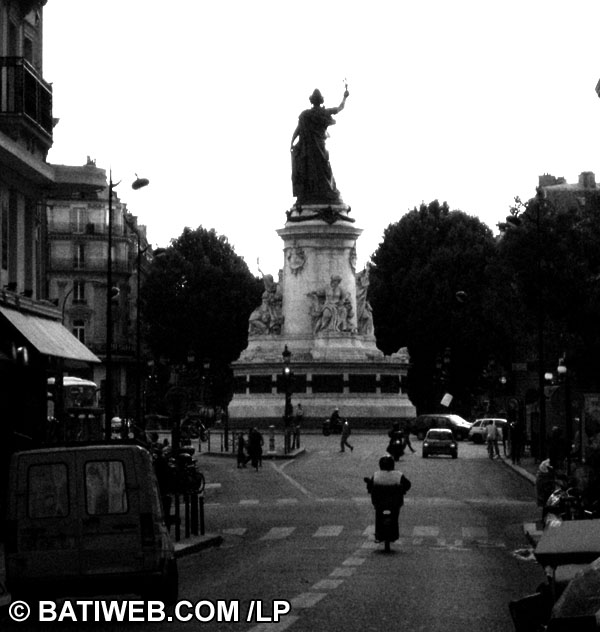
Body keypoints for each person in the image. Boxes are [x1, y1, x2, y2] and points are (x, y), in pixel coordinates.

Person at [290, 86, 349, 206]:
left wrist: (292, 141)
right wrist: (345, 97)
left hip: (308, 149)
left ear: (311, 101)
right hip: (321, 148)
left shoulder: (305, 115)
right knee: (324, 170)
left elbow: (298, 130)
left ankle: (311, 194)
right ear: (321, 101)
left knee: (309, 171)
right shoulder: (323, 113)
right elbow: (339, 108)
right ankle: (324, 193)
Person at [364, 454, 411, 544]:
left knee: (378, 516)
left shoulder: (376, 475)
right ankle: (393, 534)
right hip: (395, 503)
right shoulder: (398, 475)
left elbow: (369, 486)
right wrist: (403, 490)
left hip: (379, 503)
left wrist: (370, 489)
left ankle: (378, 534)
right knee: (395, 517)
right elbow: (408, 485)